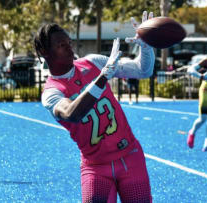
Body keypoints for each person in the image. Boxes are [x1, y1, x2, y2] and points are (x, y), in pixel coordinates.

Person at [35, 11, 155, 202]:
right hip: (96, 166)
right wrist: (102, 79)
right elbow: (72, 113)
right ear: (44, 52)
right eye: (61, 45)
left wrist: (147, 46)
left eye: (69, 43)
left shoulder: (92, 62)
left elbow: (142, 70)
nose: (69, 49)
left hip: (130, 156)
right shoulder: (51, 92)